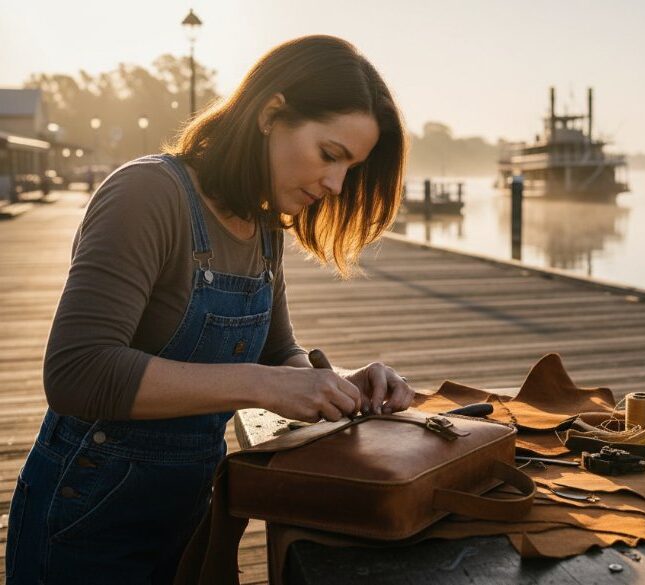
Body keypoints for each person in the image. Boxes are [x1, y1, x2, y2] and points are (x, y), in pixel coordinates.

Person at [4, 35, 413, 585]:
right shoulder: (148, 194)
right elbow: (78, 372)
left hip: (186, 514)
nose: (337, 185)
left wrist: (341, 385)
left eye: (350, 168)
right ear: (271, 114)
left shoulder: (265, 227)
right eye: (330, 154)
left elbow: (279, 354)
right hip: (86, 518)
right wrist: (261, 385)